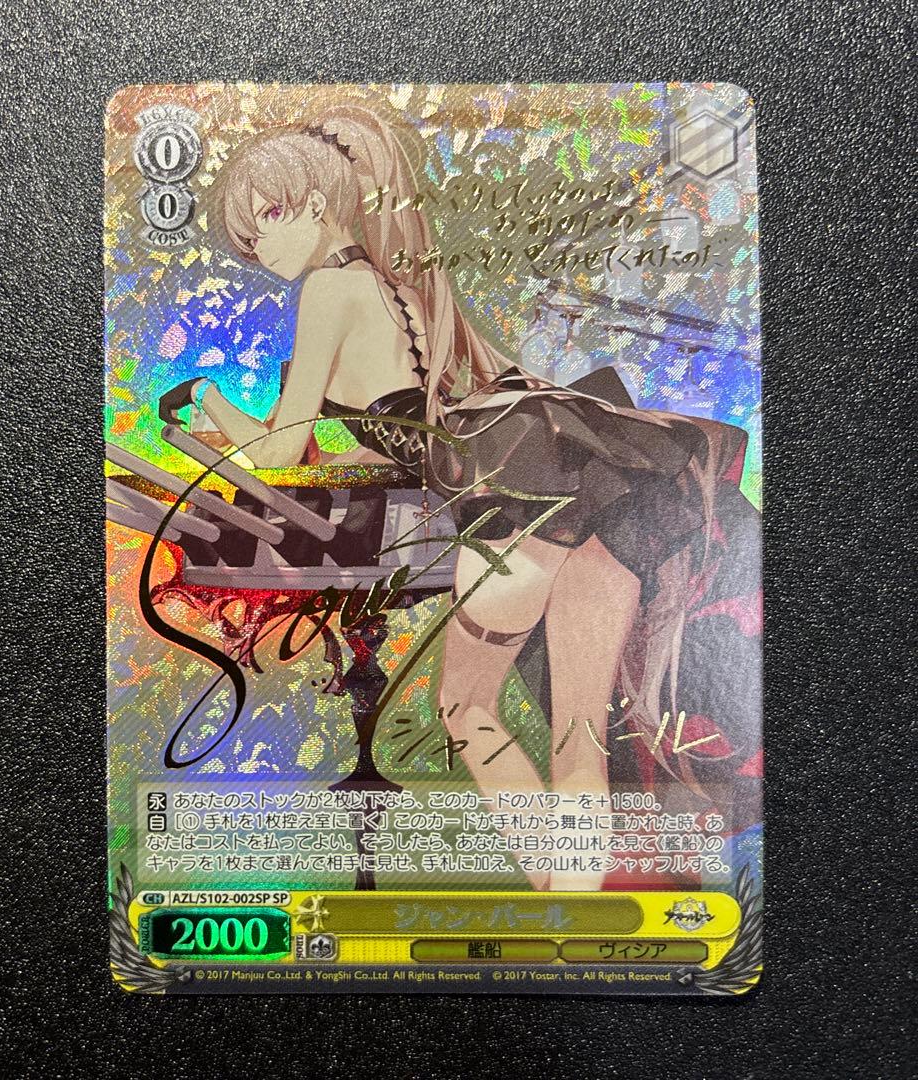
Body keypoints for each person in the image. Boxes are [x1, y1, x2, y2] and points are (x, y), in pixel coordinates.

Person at [189, 103, 760, 891]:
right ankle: (581, 914)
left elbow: (280, 452)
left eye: (264, 224)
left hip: (515, 501)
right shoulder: (401, 291)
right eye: (246, 241)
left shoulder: (328, 290)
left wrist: (205, 399)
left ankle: (560, 896)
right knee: (580, 742)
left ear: (314, 203)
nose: (259, 250)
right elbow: (379, 433)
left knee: (466, 707)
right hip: (590, 482)